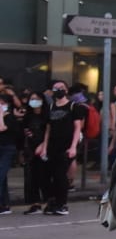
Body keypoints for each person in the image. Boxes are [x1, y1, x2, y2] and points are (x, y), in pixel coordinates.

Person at [36, 80, 86, 215]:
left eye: (61, 88)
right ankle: (52, 201)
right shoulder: (51, 107)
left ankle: (62, 204)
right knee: (46, 175)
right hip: (52, 145)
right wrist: (45, 147)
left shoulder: (74, 107)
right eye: (56, 88)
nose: (59, 90)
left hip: (67, 146)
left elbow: (77, 128)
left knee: (60, 175)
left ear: (67, 90)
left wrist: (73, 147)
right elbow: (48, 129)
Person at [21, 90, 48, 214]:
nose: (34, 101)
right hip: (31, 149)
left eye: (37, 98)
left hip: (44, 149)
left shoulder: (47, 115)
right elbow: (23, 130)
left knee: (45, 176)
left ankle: (49, 201)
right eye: (32, 99)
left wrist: (43, 145)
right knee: (32, 178)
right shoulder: (28, 116)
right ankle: (35, 203)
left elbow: (50, 132)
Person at [0, 90, 21, 215]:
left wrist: (1, 115)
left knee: (1, 174)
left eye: (2, 103)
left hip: (8, 148)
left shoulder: (10, 117)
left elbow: (2, 128)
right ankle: (4, 204)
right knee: (3, 178)